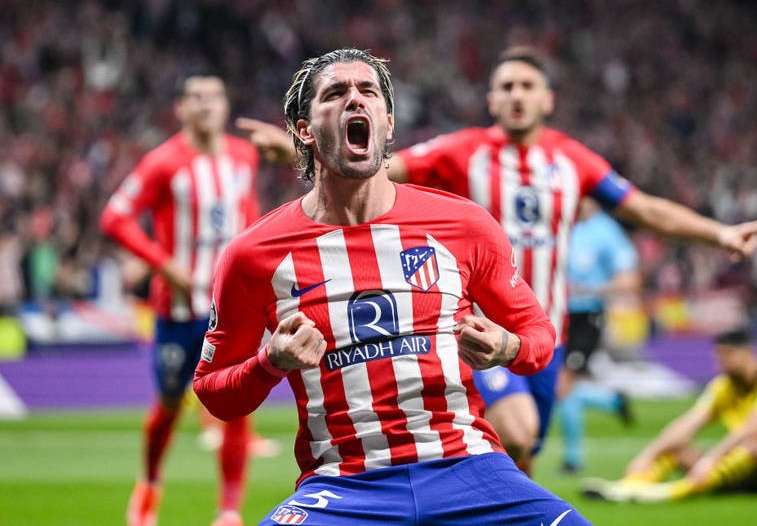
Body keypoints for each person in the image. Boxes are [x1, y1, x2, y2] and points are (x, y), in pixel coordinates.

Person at [237, 46, 757, 476]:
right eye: (507, 87)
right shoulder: (461, 151)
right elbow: (377, 166)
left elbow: (644, 208)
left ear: (548, 100)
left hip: (544, 333)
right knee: (515, 434)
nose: (517, 95)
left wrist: (719, 233)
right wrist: (299, 148)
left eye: (527, 86)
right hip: (473, 331)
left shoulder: (573, 160)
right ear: (492, 100)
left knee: (522, 453)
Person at [193, 48, 592, 526]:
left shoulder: (464, 225)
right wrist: (269, 363)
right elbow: (213, 393)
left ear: (388, 125)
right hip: (344, 486)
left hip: (470, 471)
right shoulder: (253, 254)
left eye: (368, 91)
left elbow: (540, 336)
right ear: (304, 130)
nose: (355, 99)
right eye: (335, 93)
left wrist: (508, 347)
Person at [101, 74, 259, 526]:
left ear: (226, 106)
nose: (206, 105)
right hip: (176, 311)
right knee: (170, 404)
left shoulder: (243, 156)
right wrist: (163, 264)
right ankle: (149, 484)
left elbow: (248, 216)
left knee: (236, 407)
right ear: (181, 109)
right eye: (196, 98)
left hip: (229, 310)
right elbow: (114, 217)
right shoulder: (162, 163)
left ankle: (228, 512)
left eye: (215, 97)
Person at [581, 328, 757, 503]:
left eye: (726, 356)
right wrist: (647, 455)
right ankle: (628, 487)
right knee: (676, 449)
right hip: (738, 472)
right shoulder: (724, 386)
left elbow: (753, 428)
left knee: (751, 446)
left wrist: (710, 460)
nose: (720, 364)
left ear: (747, 353)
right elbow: (688, 423)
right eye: (718, 357)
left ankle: (670, 492)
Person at [557, 197, 640, 473]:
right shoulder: (562, 223)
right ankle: (612, 401)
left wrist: (594, 290)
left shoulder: (607, 231)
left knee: (564, 383)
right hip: (557, 314)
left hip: (588, 316)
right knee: (560, 385)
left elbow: (629, 280)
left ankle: (573, 459)